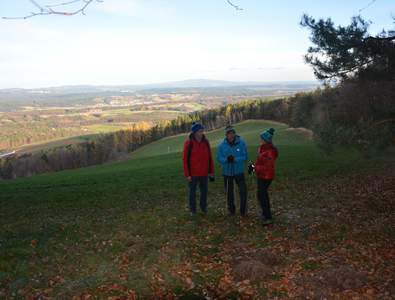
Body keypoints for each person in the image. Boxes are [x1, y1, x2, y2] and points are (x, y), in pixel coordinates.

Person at [182, 122, 215, 216]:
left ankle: (203, 207)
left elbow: (209, 157)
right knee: (192, 192)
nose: (202, 132)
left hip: (204, 172)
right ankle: (193, 210)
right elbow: (185, 159)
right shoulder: (189, 143)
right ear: (195, 132)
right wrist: (187, 174)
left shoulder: (206, 142)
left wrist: (211, 171)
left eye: (202, 130)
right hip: (193, 173)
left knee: (204, 192)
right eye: (200, 131)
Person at [217, 125, 248, 216]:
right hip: (227, 172)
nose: (230, 135)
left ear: (234, 133)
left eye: (232, 133)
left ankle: (243, 210)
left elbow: (245, 157)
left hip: (239, 171)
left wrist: (235, 159)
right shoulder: (221, 145)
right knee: (229, 193)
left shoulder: (242, 143)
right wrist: (226, 160)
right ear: (226, 135)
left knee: (243, 191)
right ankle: (231, 210)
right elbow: (219, 157)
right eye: (228, 133)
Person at [254, 128, 278, 225]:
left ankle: (267, 217)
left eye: (261, 138)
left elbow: (267, 167)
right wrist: (254, 166)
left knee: (262, 195)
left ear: (265, 140)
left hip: (266, 176)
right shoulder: (263, 148)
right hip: (261, 175)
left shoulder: (269, 151)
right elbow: (260, 161)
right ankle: (265, 213)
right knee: (261, 195)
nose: (260, 140)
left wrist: (255, 168)